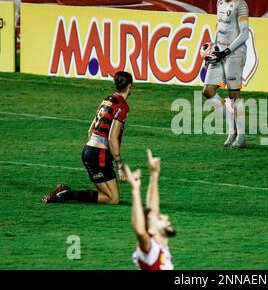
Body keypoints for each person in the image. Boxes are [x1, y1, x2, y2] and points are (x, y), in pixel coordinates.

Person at [42, 71, 133, 204]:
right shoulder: (122, 106)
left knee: (107, 195)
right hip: (98, 154)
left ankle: (65, 194)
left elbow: (90, 130)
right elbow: (112, 137)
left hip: (89, 151)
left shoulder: (107, 100)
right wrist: (119, 165)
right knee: (113, 199)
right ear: (129, 86)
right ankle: (67, 194)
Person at [203, 0, 249, 148]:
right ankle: (232, 130)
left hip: (235, 54)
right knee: (208, 91)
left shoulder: (240, 5)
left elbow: (244, 33)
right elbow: (220, 26)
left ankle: (241, 137)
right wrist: (214, 49)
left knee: (234, 95)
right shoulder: (220, 3)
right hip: (220, 53)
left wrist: (228, 50)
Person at [126, 149, 175, 270]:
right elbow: (140, 231)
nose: (167, 217)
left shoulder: (160, 248)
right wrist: (135, 192)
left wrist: (154, 174)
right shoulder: (150, 251)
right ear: (152, 231)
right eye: (160, 218)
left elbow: (152, 210)